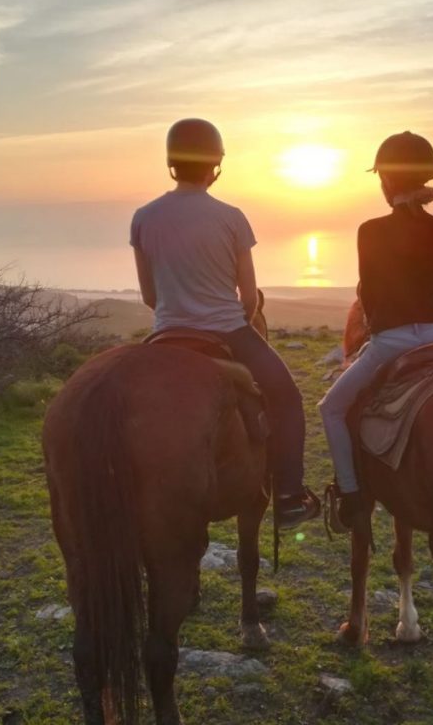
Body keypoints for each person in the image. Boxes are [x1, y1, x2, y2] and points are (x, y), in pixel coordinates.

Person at [130, 118, 320, 528]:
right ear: (215, 164)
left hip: (166, 332)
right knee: (287, 398)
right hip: (228, 330)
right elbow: (249, 297)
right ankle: (288, 496)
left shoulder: (144, 217)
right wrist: (239, 321)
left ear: (171, 162)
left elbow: (150, 296)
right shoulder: (231, 217)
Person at [318, 131, 433, 527]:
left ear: (388, 181)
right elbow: (432, 287)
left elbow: (370, 297)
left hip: (391, 341)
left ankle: (352, 495)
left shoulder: (370, 231)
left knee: (330, 409)